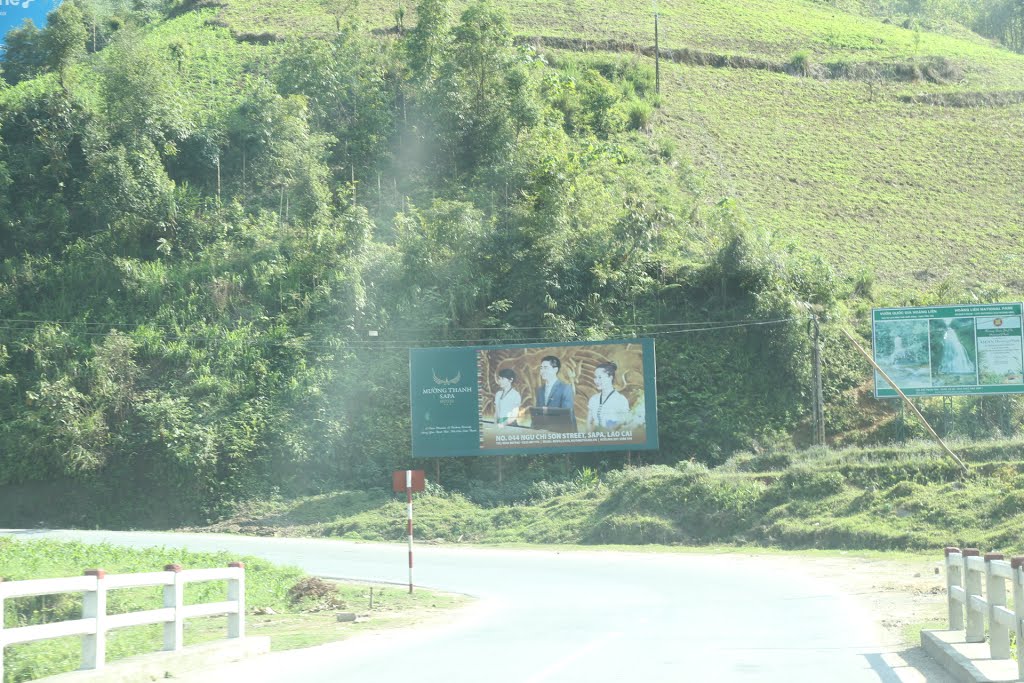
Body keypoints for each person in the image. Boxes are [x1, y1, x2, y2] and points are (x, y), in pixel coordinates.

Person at [587, 362, 630, 432]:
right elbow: (589, 423)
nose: (596, 381)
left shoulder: (621, 400)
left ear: (610, 378)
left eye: (600, 377)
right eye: (595, 377)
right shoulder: (593, 399)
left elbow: (625, 426)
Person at [536, 355, 575, 424]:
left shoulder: (565, 388)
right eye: (541, 368)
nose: (542, 371)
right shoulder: (540, 390)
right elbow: (537, 414)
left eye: (546, 368)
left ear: (555, 370)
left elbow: (567, 416)